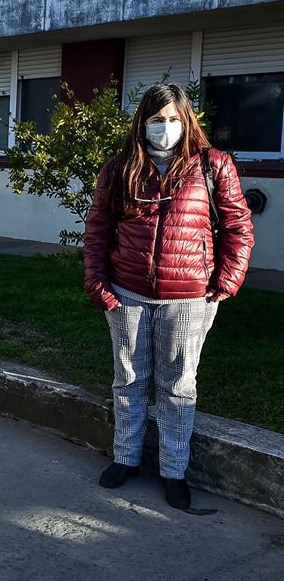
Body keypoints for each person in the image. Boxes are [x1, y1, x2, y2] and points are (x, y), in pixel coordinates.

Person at [83, 83, 253, 510]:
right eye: (157, 120)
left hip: (190, 299)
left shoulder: (214, 165)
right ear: (143, 122)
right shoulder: (120, 168)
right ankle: (125, 458)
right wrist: (98, 285)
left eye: (174, 119)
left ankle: (174, 470)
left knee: (178, 387)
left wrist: (226, 283)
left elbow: (238, 227)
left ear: (187, 121)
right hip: (127, 294)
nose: (166, 127)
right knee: (129, 381)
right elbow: (98, 229)